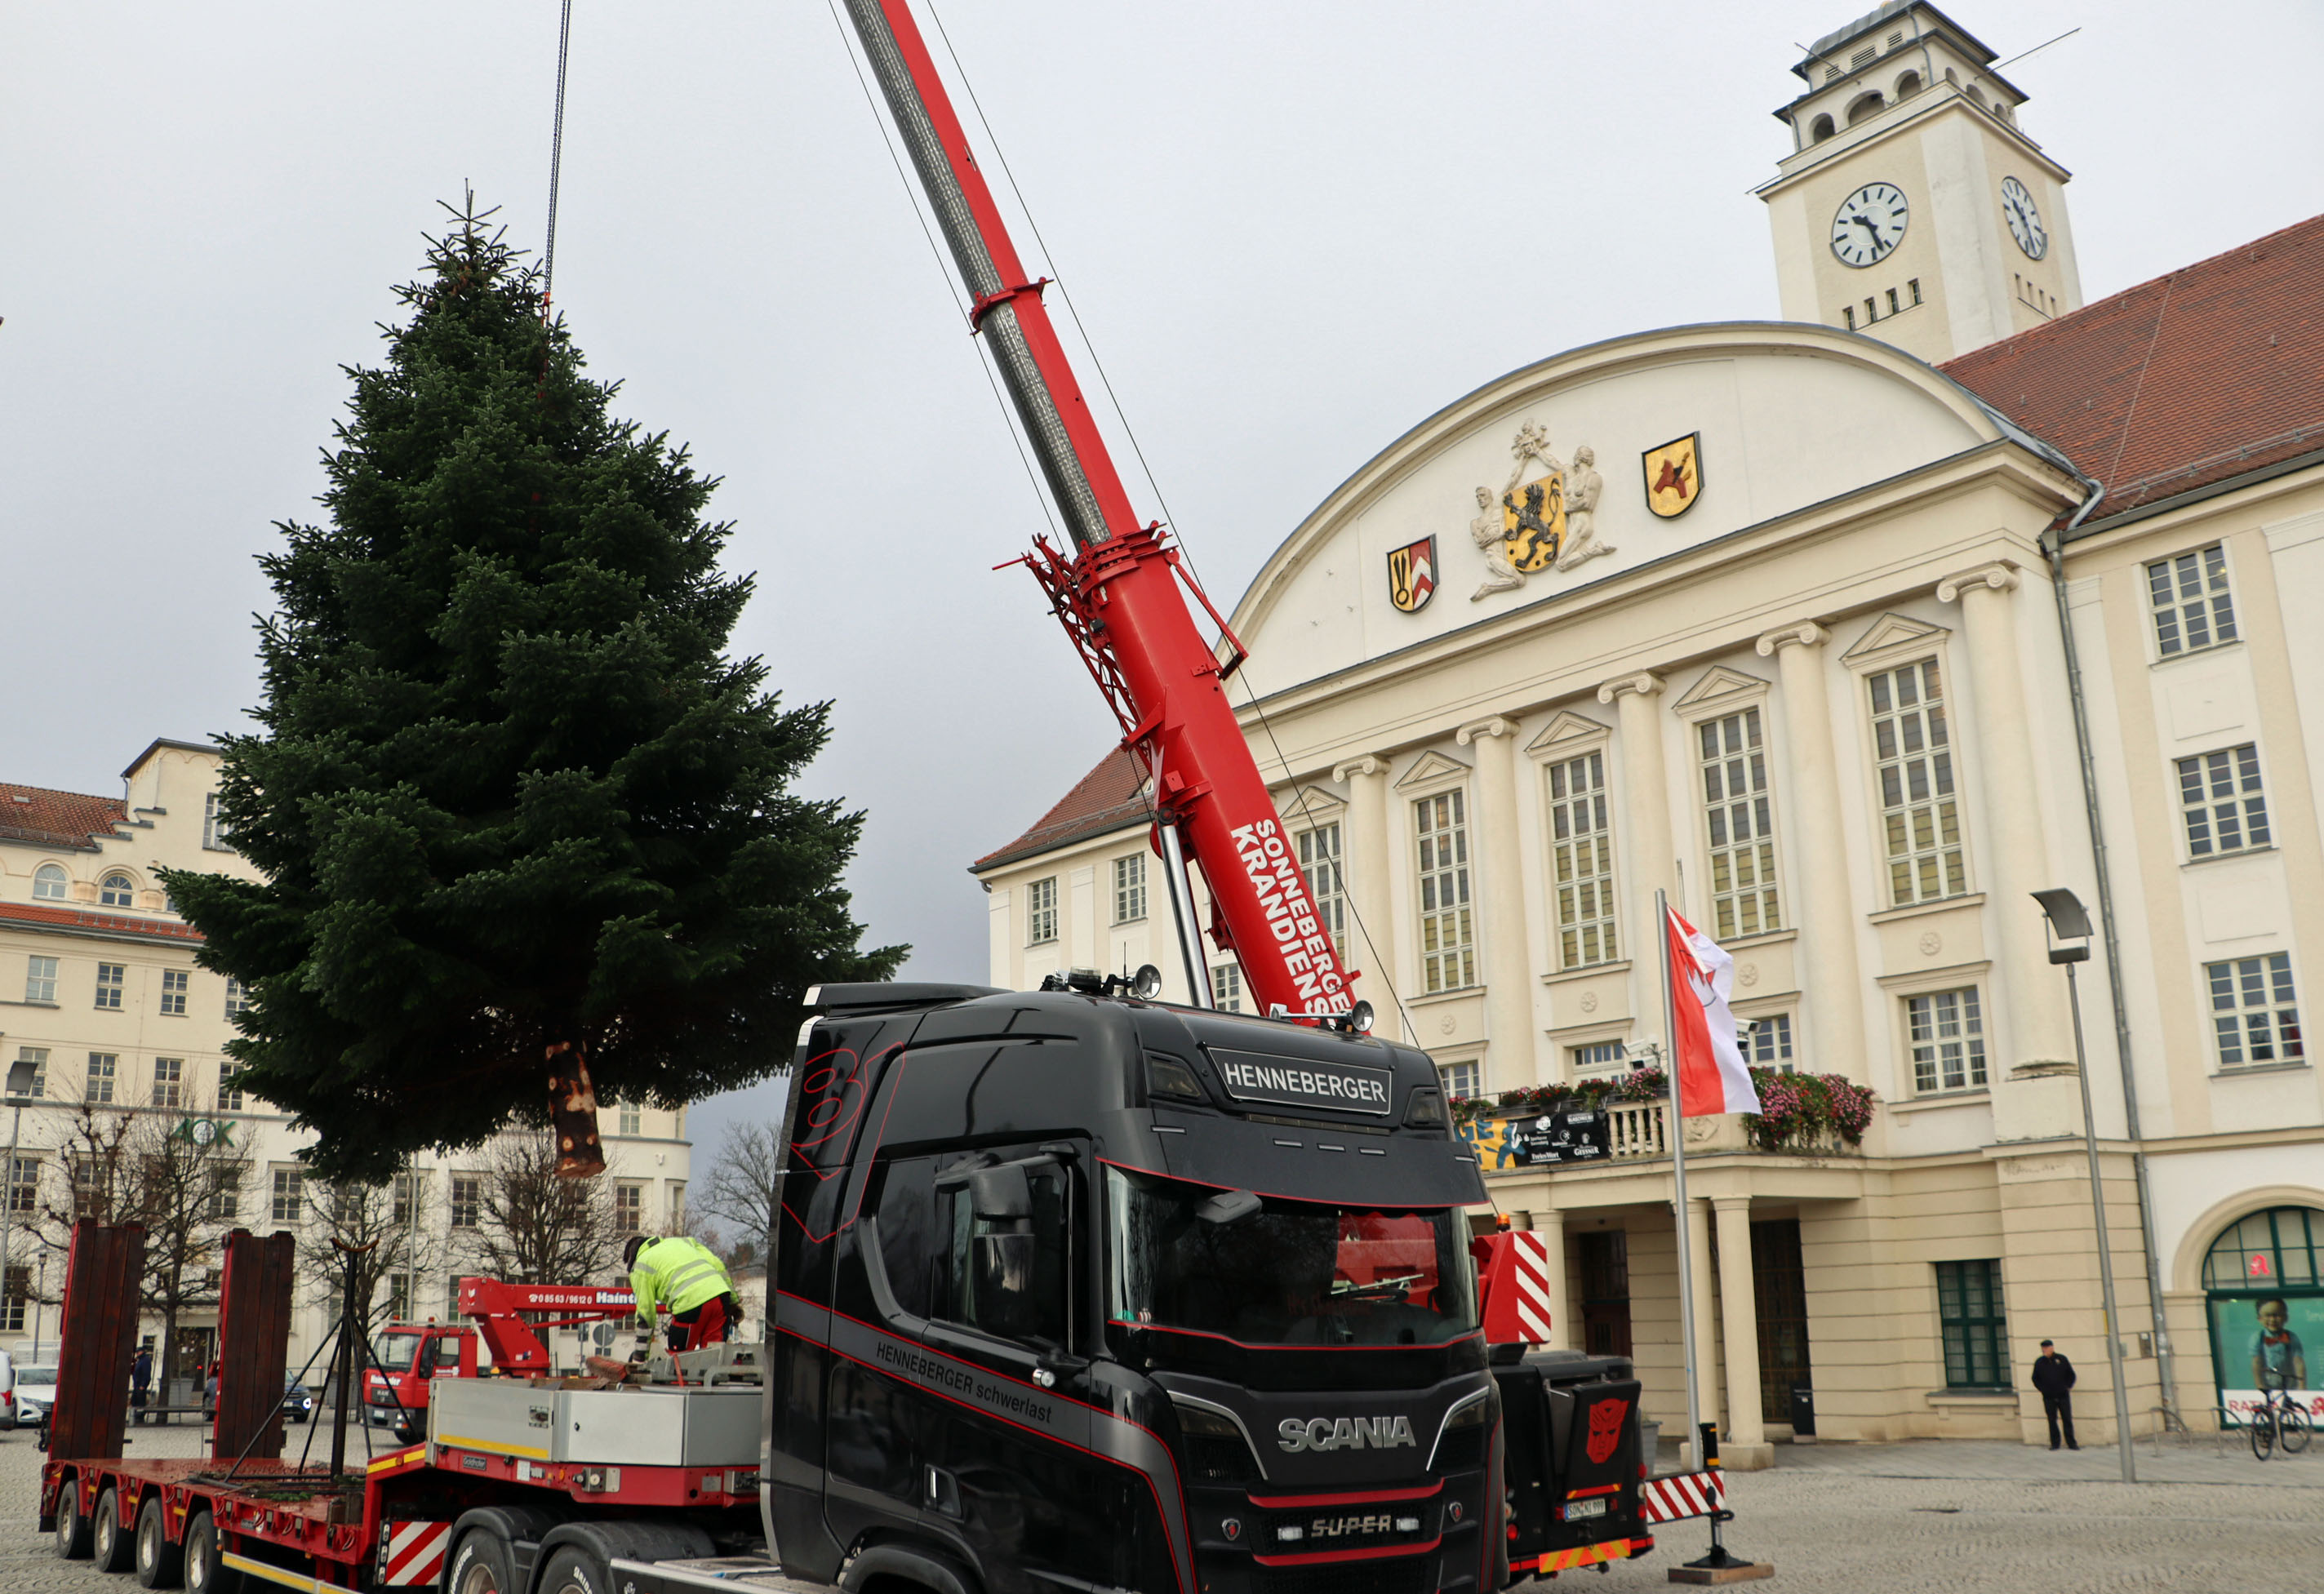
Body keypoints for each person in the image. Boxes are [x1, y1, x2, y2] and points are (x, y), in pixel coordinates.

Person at [625, 1234, 741, 1353]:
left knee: (678, 1361)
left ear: (631, 1258)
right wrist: (732, 1301)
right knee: (714, 1357)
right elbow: (717, 1264)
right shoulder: (683, 1242)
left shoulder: (640, 1265)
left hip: (689, 1304)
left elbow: (646, 1313)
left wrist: (640, 1355)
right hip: (720, 1299)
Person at [2251, 1297, 2307, 1392]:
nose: (2272, 1320)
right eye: (2268, 1316)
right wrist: (2259, 1385)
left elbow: (2298, 1362)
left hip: (2290, 1384)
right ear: (2259, 1319)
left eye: (2277, 1315)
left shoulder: (2291, 1337)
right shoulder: (2258, 1337)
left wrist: (2302, 1386)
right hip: (2268, 1385)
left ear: (2286, 1318)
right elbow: (2256, 1363)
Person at [2032, 1339, 2077, 1450]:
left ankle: (2071, 1443)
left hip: (2063, 1395)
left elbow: (2071, 1375)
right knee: (2052, 1420)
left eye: (2047, 1348)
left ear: (2052, 1348)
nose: (2045, 1350)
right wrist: (2043, 1389)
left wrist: (2067, 1387)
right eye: (2043, 1348)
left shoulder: (2061, 1359)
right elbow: (2035, 1378)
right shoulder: (2040, 1362)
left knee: (2067, 1419)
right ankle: (2055, 1443)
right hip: (2048, 1397)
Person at [130, 1346, 153, 1425]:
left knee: (140, 1402)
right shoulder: (140, 1360)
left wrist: (143, 1385)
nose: (137, 1353)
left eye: (138, 1352)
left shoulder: (145, 1360)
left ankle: (140, 1418)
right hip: (137, 1385)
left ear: (142, 1352)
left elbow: (146, 1374)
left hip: (141, 1385)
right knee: (134, 1401)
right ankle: (135, 1417)